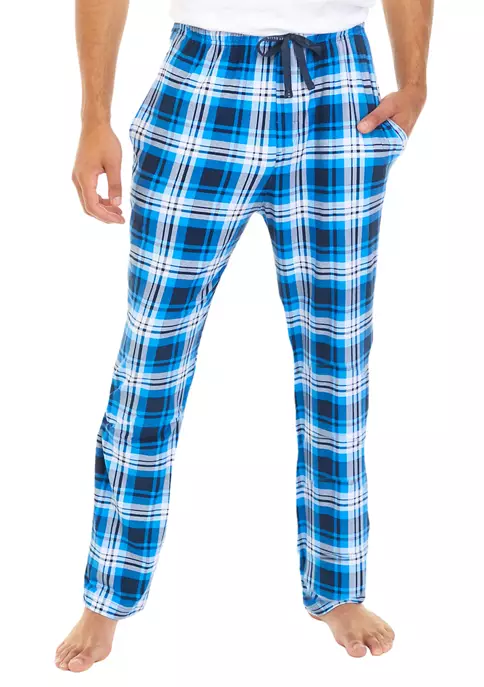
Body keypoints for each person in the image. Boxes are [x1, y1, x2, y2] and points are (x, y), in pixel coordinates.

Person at [55, 0, 433, 671]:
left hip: (338, 86)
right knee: (151, 362)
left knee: (338, 360)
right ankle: (107, 594)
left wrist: (415, 82)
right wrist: (93, 119)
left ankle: (339, 586)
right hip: (203, 82)